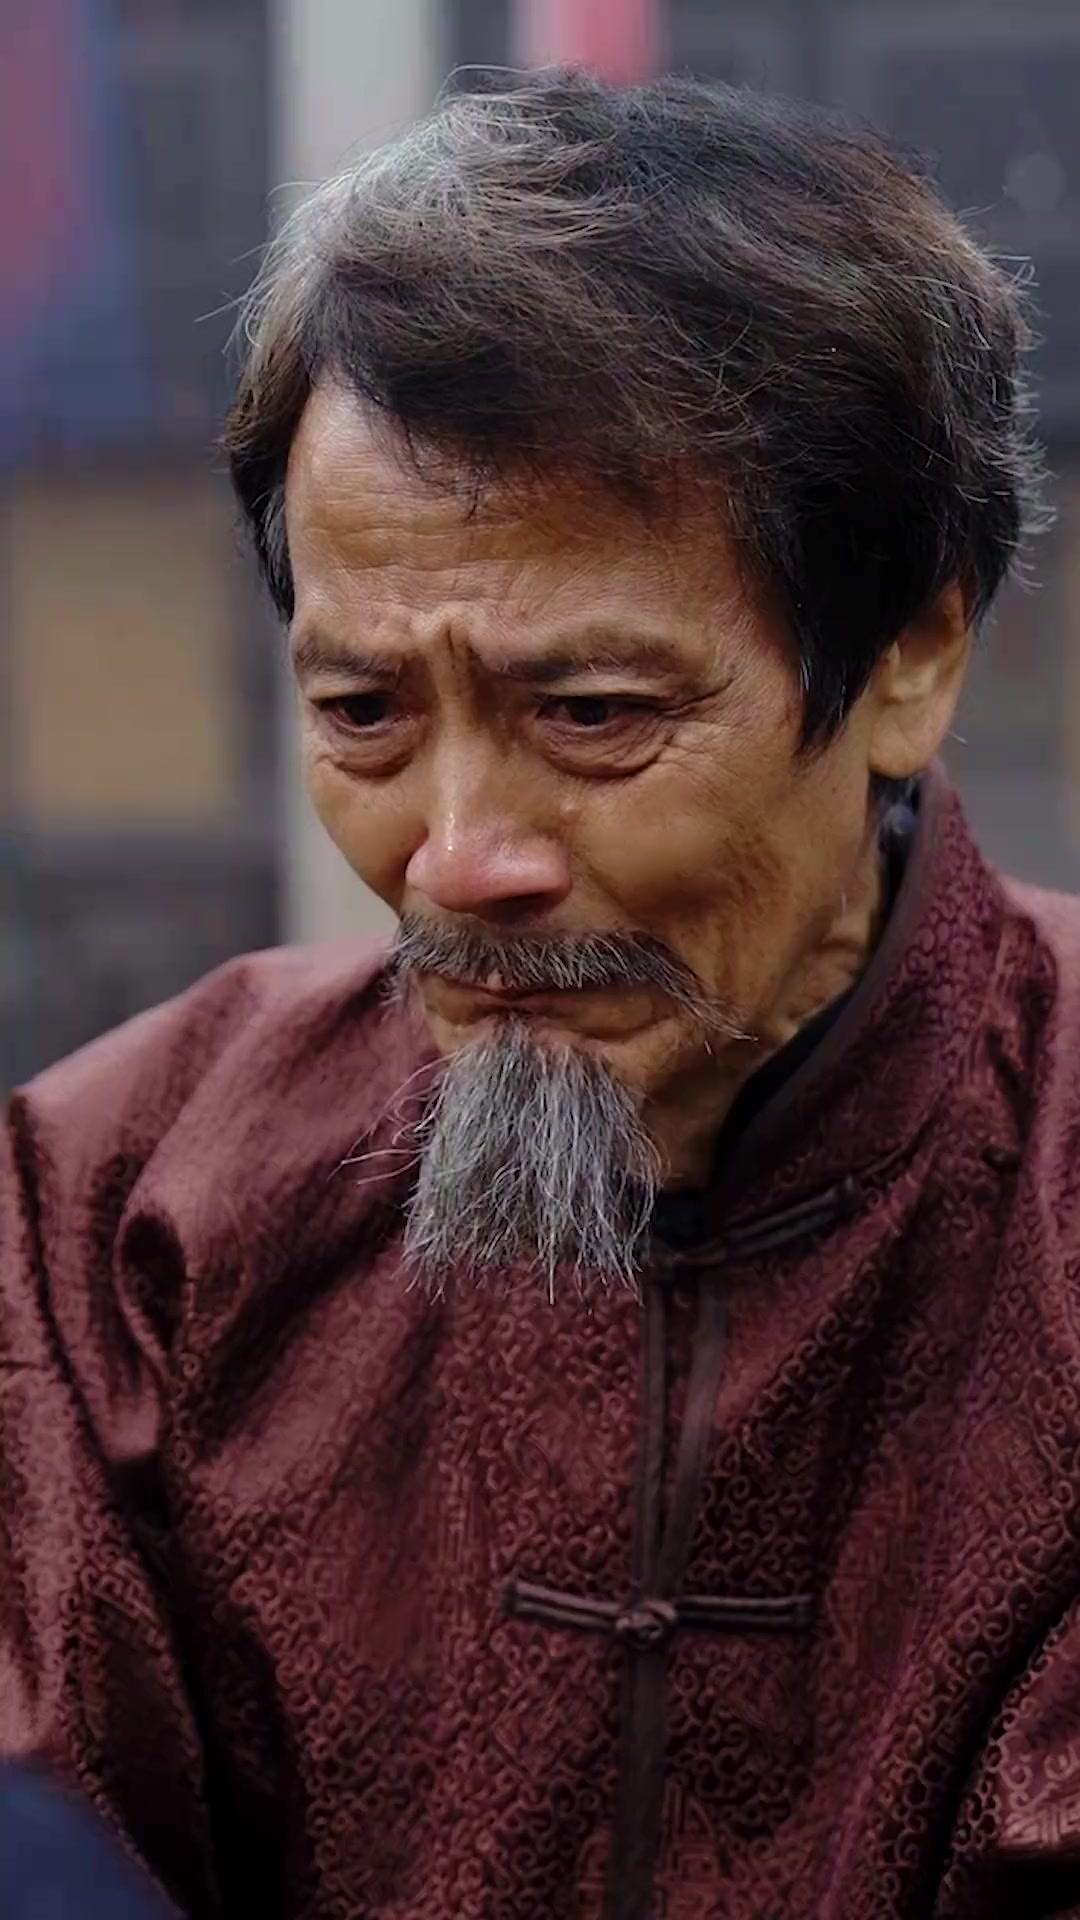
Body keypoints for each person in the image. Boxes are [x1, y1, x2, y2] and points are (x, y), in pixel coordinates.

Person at [1, 67, 1077, 1920]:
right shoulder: (127, 1214)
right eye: (364, 714)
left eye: (591, 715)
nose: (454, 858)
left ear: (911, 655)